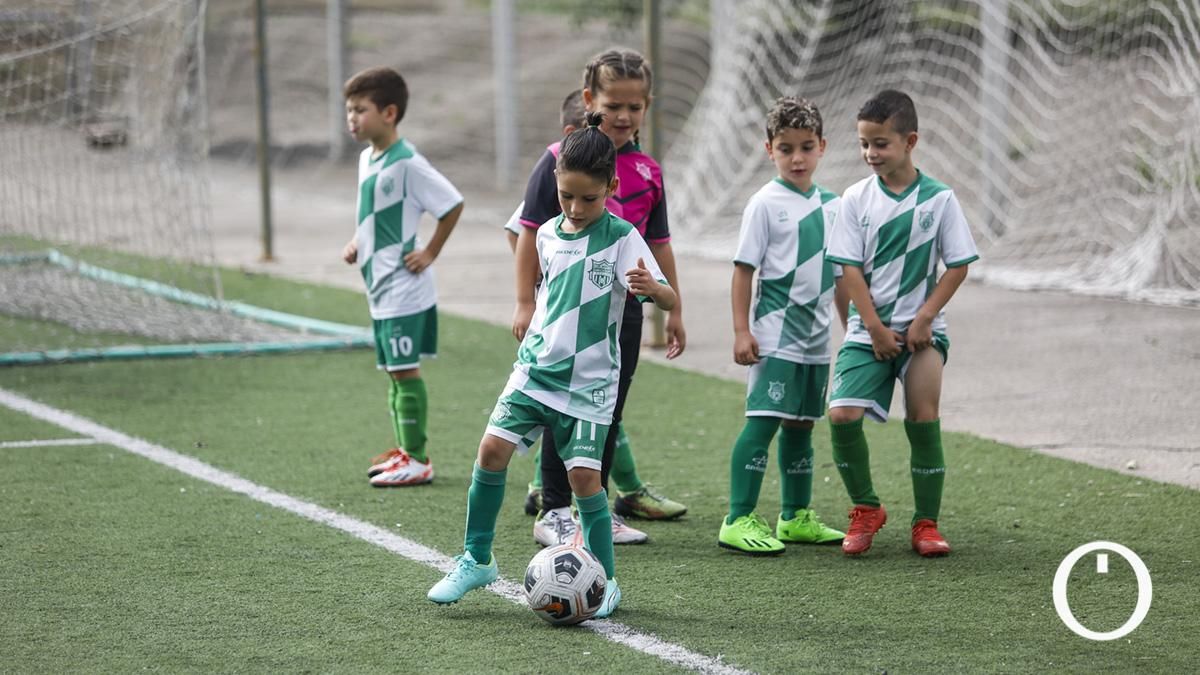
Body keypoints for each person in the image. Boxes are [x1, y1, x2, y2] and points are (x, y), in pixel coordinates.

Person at [427, 112, 677, 618]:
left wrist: (656, 292)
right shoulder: (544, 233)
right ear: (557, 185)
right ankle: (476, 559)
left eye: (589, 197)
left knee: (586, 481)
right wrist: (525, 308)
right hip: (535, 371)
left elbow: (670, 297)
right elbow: (541, 282)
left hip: (589, 384)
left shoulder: (624, 237)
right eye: (567, 196)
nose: (576, 207)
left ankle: (604, 581)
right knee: (491, 450)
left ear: (611, 186)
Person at [515, 49, 688, 548]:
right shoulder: (561, 158)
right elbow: (529, 233)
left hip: (620, 317)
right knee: (555, 403)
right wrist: (525, 301)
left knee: (607, 408)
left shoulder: (649, 171)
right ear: (591, 99)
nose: (624, 116)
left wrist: (673, 311)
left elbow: (658, 244)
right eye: (614, 104)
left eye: (636, 107)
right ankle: (554, 508)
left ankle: (597, 508)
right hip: (562, 312)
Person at [824, 90, 979, 557]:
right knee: (841, 415)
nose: (871, 153)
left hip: (923, 334)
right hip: (867, 331)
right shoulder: (855, 198)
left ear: (910, 141)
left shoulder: (940, 199)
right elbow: (848, 268)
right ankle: (866, 508)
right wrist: (870, 326)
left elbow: (958, 265)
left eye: (881, 143)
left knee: (923, 417)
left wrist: (925, 318)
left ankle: (926, 524)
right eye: (864, 144)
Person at [718, 96, 847, 556]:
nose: (797, 157)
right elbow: (743, 270)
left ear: (822, 147)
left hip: (816, 340)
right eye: (786, 147)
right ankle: (737, 518)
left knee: (801, 425)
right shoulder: (764, 204)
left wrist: (850, 329)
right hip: (775, 334)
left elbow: (842, 275)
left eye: (806, 147)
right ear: (768, 149)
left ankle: (794, 517)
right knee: (764, 421)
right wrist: (741, 330)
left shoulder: (835, 205)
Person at [341, 66, 464, 487]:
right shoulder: (367, 158)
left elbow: (451, 204)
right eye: (349, 110)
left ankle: (419, 459)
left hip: (403, 287)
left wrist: (429, 251)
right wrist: (359, 241)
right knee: (395, 371)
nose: (351, 118)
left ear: (389, 112)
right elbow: (375, 214)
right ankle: (405, 451)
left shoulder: (409, 163)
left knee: (405, 370)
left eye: (360, 110)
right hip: (379, 283)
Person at [500, 90, 586, 516]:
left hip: (596, 333)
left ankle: (623, 488)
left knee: (600, 412)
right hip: (553, 327)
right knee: (553, 406)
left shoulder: (620, 213)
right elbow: (520, 231)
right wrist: (529, 293)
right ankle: (546, 489)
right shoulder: (555, 176)